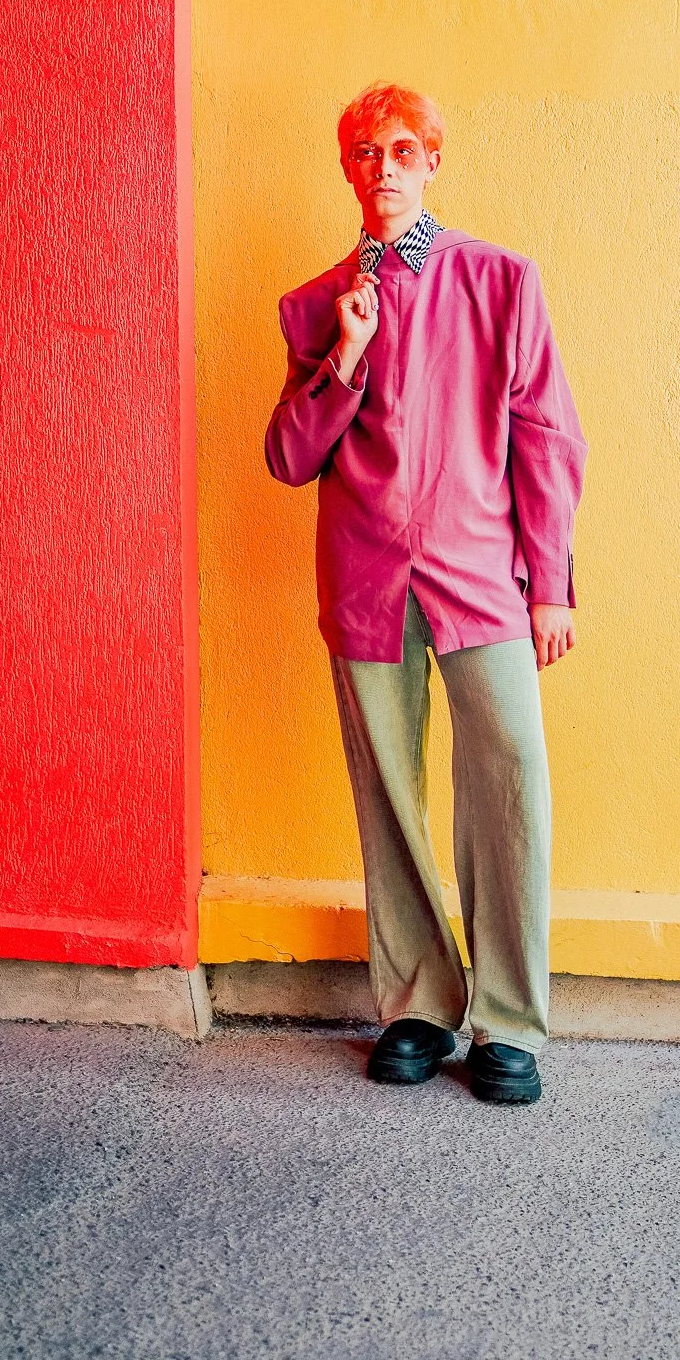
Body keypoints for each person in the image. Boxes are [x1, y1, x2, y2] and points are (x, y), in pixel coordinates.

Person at [265, 81, 587, 1105]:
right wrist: (345, 354)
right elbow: (286, 454)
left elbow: (545, 432)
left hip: (480, 570)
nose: (384, 165)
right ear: (348, 167)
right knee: (387, 793)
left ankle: (506, 1016)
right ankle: (415, 1000)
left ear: (432, 161)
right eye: (365, 150)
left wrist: (549, 580)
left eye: (403, 148)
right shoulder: (317, 305)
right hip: (363, 580)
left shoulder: (500, 281)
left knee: (508, 777)